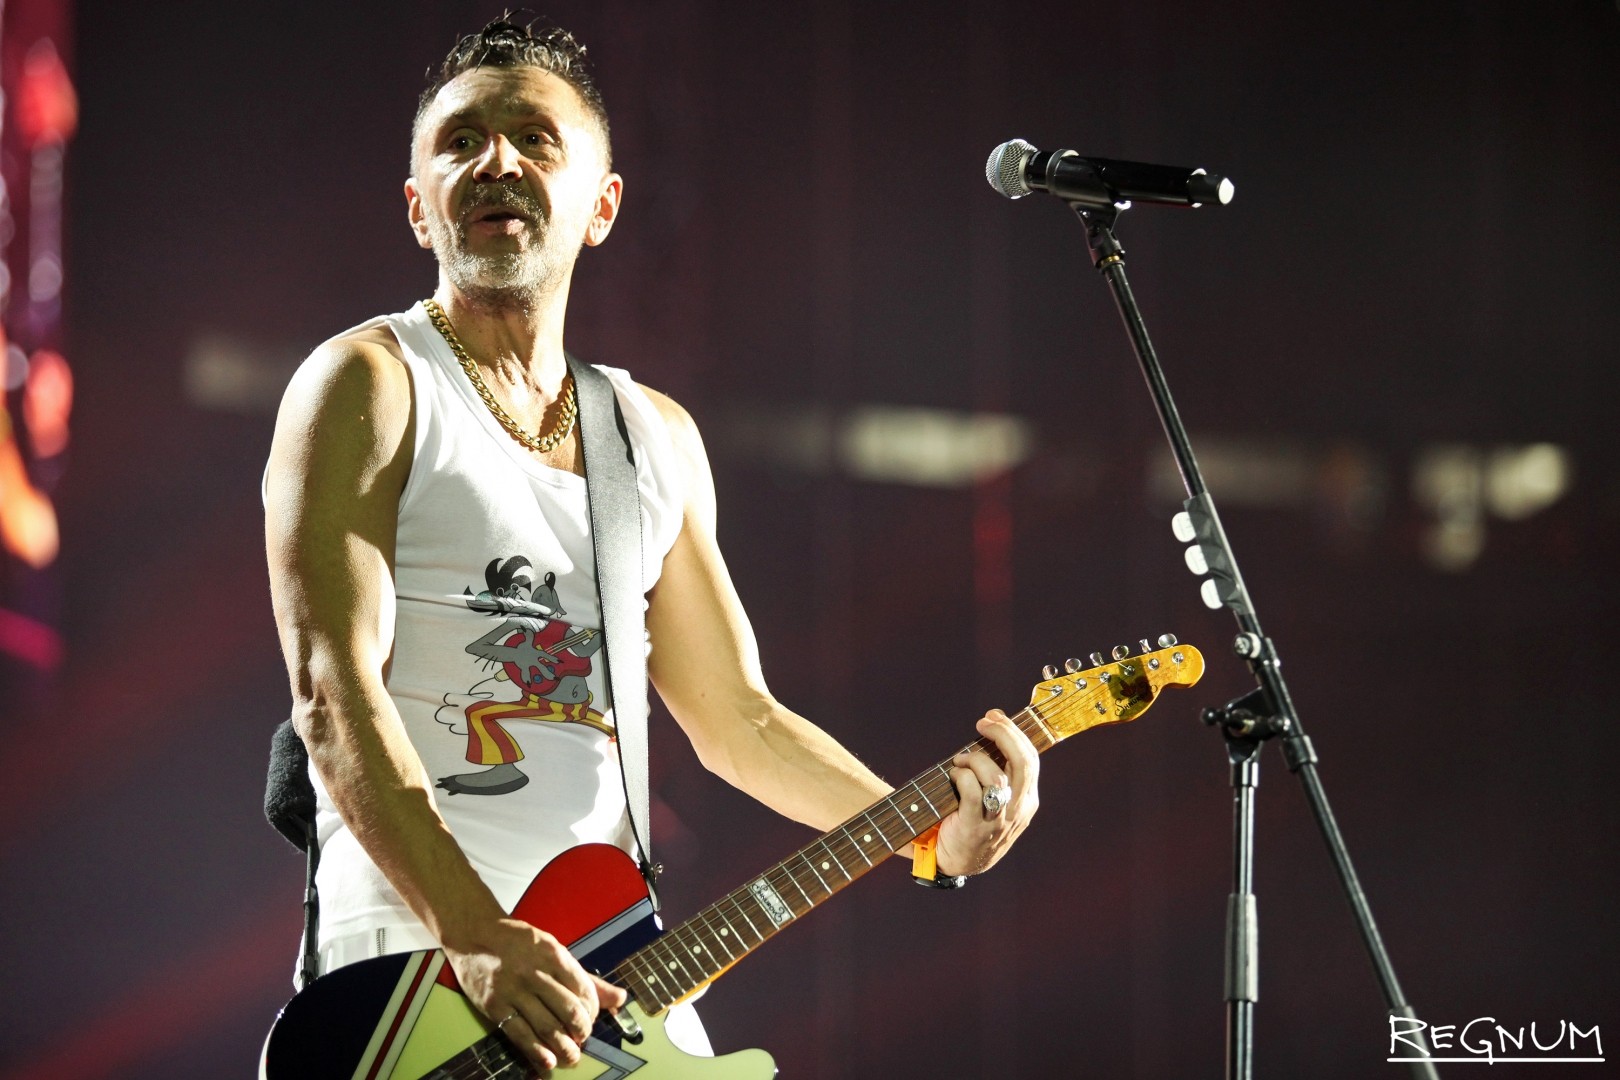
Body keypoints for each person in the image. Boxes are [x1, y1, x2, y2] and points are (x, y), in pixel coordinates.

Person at [263, 18, 1039, 1074]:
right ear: (417, 205)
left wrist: (929, 835)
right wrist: (476, 933)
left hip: (613, 985)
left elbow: (741, 723)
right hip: (417, 973)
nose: (496, 161)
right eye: (461, 141)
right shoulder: (372, 382)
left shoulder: (651, 436)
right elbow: (330, 688)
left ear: (604, 206)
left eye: (536, 138)